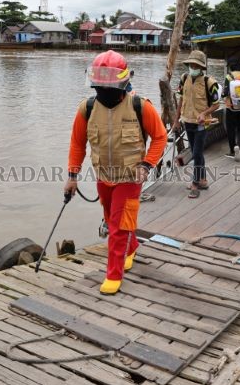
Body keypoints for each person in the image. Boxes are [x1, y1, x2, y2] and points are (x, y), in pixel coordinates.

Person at [65, 50, 167, 295]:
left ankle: (113, 274)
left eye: (108, 88)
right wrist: (72, 177)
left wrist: (146, 165)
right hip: (103, 177)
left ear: (123, 82)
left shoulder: (140, 106)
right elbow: (77, 144)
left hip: (131, 177)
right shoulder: (86, 109)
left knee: (118, 226)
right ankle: (131, 249)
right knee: (114, 219)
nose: (104, 93)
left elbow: (160, 137)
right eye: (99, 87)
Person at [173, 50, 220, 199]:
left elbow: (216, 105)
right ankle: (204, 180)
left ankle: (195, 184)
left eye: (196, 65)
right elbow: (180, 100)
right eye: (191, 65)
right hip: (187, 121)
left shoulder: (210, 83)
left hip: (201, 123)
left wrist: (204, 113)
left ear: (201, 67)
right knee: (195, 151)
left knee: (197, 153)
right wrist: (176, 120)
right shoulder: (184, 78)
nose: (193, 67)